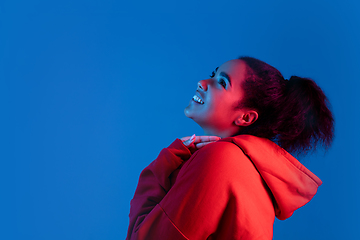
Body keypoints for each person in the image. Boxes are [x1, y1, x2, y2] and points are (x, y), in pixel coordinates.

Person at [125, 57, 334, 240]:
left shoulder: (220, 159)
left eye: (222, 82)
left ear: (246, 117)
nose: (202, 82)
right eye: (213, 75)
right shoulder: (247, 165)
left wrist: (166, 160)